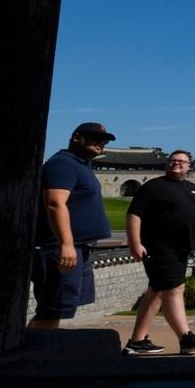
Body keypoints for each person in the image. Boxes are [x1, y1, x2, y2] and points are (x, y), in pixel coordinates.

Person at [122, 150, 195, 355]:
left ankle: (137, 341)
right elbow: (134, 214)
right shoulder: (153, 187)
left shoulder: (193, 189)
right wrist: (135, 242)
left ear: (188, 167)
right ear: (167, 164)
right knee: (175, 289)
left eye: (182, 161)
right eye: (173, 160)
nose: (177, 163)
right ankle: (186, 337)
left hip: (182, 247)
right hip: (160, 246)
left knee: (157, 291)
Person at [29, 123, 116, 329]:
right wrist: (65, 244)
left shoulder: (80, 164)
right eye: (94, 138)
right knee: (53, 308)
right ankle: (39, 356)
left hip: (80, 246)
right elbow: (55, 203)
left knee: (59, 307)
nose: (100, 143)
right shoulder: (63, 164)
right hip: (60, 247)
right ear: (77, 137)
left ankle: (39, 350)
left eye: (103, 140)